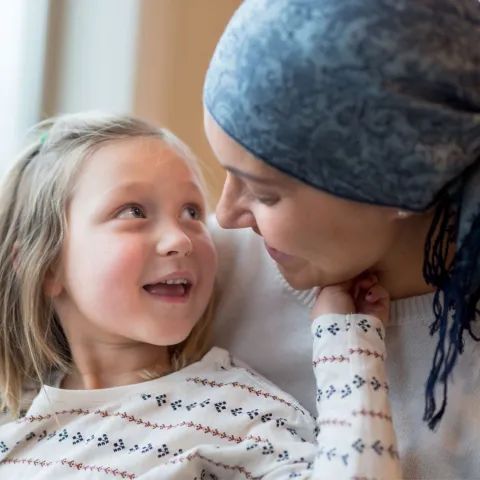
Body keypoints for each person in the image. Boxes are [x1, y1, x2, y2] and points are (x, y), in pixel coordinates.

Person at [0, 112, 400, 478]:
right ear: (48, 266)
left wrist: (346, 345)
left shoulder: (241, 412)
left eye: (191, 212)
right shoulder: (13, 425)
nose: (180, 240)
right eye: (133, 212)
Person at [203, 0, 480, 478]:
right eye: (226, 173)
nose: (224, 216)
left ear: (402, 185)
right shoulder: (197, 274)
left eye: (265, 194)